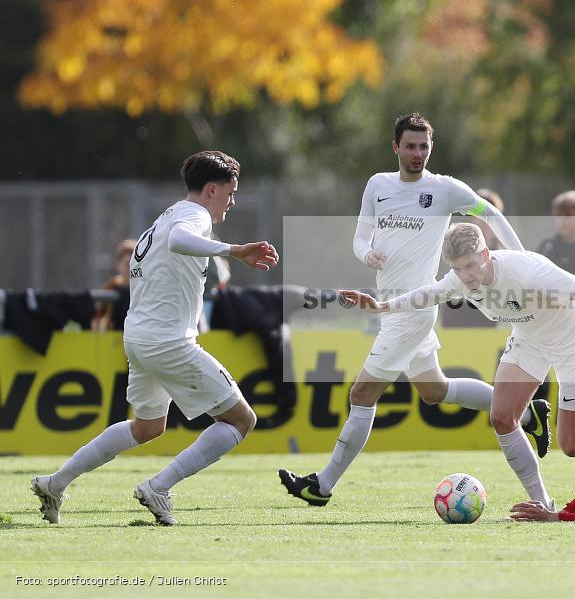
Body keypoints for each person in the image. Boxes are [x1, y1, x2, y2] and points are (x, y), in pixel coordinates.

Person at [278, 113, 548, 507]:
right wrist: (366, 252)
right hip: (392, 307)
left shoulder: (444, 189)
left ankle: (322, 485)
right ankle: (529, 416)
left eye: (424, 146)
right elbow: (359, 236)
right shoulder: (378, 184)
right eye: (410, 146)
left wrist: (520, 260)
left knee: (362, 392)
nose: (417, 153)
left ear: (430, 148)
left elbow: (490, 212)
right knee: (435, 391)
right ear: (396, 148)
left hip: (415, 310)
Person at [31, 151, 279, 526]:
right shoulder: (192, 217)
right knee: (241, 420)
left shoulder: (166, 215)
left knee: (148, 427)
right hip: (168, 342)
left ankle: (55, 482)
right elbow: (181, 241)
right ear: (212, 189)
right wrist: (235, 250)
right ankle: (158, 487)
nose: (233, 200)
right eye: (231, 192)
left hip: (140, 337)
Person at [340, 223, 575, 509]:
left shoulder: (524, 271)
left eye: (469, 266)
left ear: (485, 255)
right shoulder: (459, 279)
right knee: (502, 417)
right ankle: (543, 503)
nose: (464, 276)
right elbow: (427, 294)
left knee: (573, 445)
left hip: (574, 342)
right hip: (529, 339)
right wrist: (382, 306)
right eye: (457, 268)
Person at [441, 187, 505, 328]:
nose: (481, 224)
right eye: (476, 218)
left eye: (487, 219)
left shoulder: (505, 259)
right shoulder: (459, 252)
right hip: (461, 320)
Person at [91, 238, 137, 331]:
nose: (130, 268)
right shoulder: (112, 286)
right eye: (127, 264)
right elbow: (98, 315)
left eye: (134, 263)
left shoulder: (146, 285)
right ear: (118, 265)